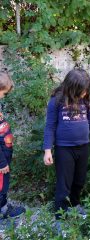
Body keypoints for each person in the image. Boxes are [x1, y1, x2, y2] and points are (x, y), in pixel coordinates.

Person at [43, 68, 90, 219]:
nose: (85, 93)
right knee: (64, 183)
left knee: (79, 180)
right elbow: (50, 126)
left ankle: (75, 205)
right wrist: (47, 149)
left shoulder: (85, 100)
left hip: (83, 146)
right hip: (64, 149)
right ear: (72, 88)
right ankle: (60, 215)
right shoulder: (56, 101)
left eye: (86, 90)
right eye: (82, 90)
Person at [0, 71, 25, 220]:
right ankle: (3, 210)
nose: (3, 96)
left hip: (4, 153)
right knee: (1, 185)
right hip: (1, 159)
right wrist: (2, 162)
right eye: (3, 93)